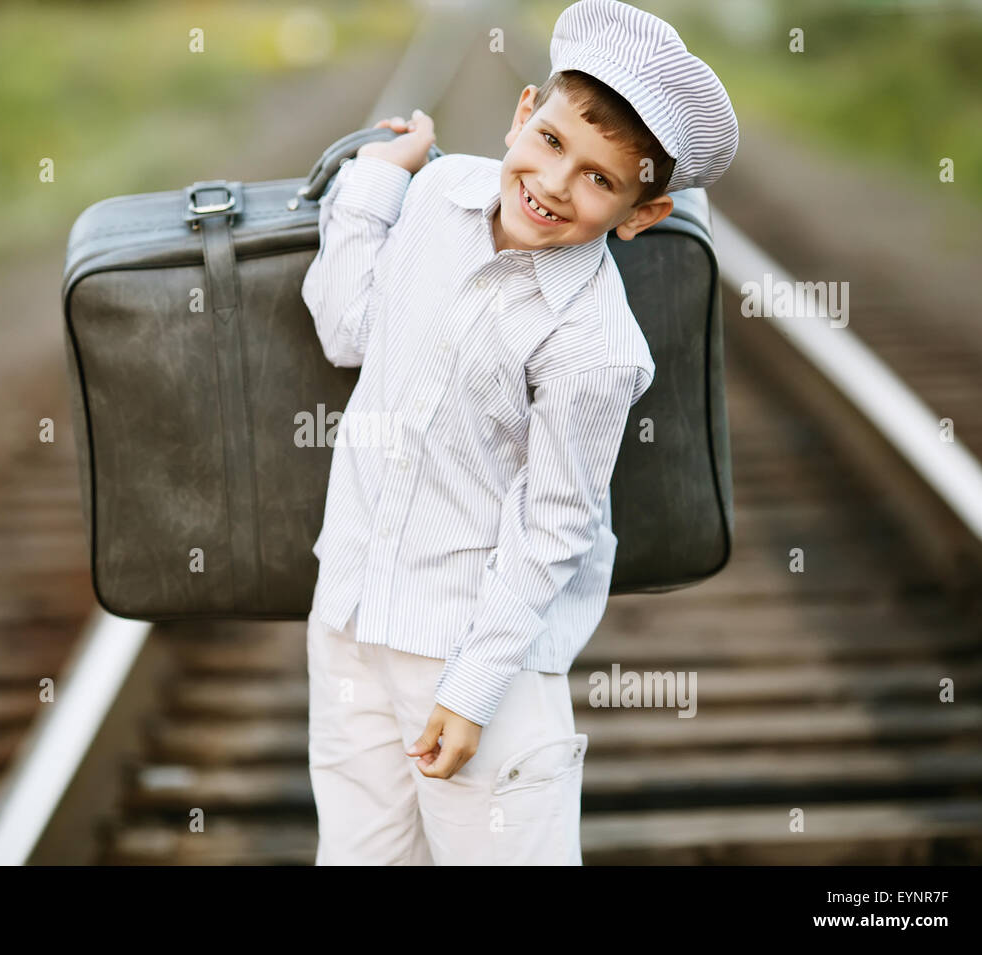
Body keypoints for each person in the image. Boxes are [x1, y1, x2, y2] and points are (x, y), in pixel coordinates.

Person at [300, 0, 738, 865]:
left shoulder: (596, 346)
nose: (553, 183)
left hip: (471, 657)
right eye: (550, 140)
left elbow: (554, 526)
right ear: (521, 112)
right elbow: (347, 329)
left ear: (640, 216)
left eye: (600, 180)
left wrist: (472, 690)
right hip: (349, 617)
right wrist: (380, 177)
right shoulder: (436, 197)